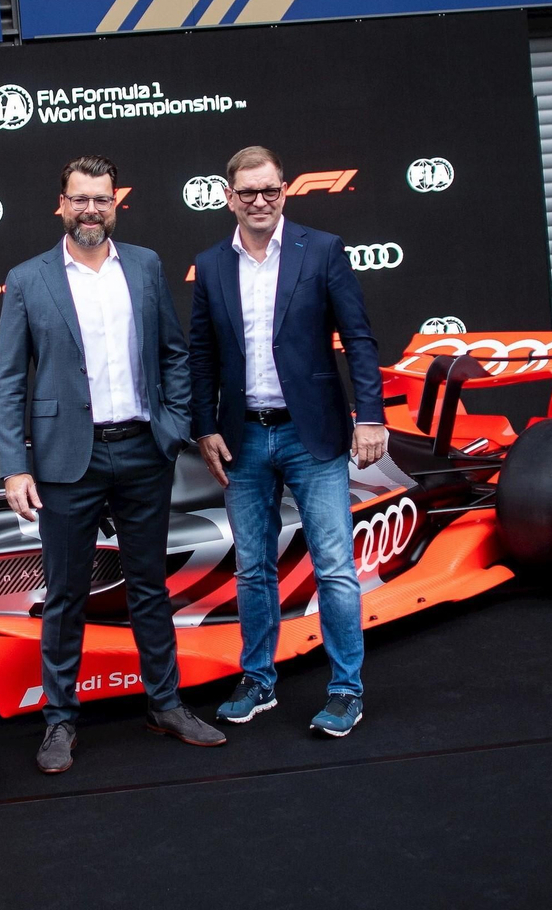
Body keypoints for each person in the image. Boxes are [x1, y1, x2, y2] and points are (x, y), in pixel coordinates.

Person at [0, 154, 226, 773]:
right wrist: (15, 467)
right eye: (79, 199)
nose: (90, 209)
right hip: (70, 459)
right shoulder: (28, 279)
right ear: (61, 205)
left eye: (101, 199)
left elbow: (175, 353)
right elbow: (10, 380)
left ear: (115, 201)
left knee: (150, 586)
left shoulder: (146, 266)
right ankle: (60, 721)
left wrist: (172, 429)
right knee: (67, 594)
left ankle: (166, 704)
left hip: (144, 451)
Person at [187, 145, 388, 736]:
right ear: (229, 197)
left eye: (269, 190)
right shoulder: (211, 264)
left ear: (284, 191)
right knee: (252, 569)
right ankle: (258, 680)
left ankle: (346, 690)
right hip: (243, 438)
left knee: (334, 568)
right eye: (247, 192)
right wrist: (204, 426)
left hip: (314, 434)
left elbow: (359, 337)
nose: (259, 201)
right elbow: (201, 355)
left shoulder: (321, 250)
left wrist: (370, 416)